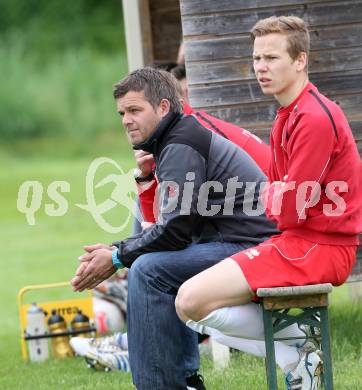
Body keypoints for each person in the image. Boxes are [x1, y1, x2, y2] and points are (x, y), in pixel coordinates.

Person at [175, 15, 362, 390]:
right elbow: (277, 199)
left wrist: (278, 196)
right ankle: (296, 351)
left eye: (272, 58)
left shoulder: (314, 118)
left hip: (321, 248)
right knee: (187, 304)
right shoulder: (285, 116)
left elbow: (288, 209)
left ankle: (298, 347)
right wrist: (278, 195)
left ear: (300, 61)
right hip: (295, 242)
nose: (261, 67)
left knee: (191, 301)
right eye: (257, 58)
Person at [71, 67, 278, 390]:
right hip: (239, 242)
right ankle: (184, 380)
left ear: (164, 107)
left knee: (149, 271)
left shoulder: (181, 144)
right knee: (151, 265)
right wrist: (117, 250)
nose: (126, 120)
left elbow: (175, 231)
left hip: (254, 247)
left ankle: (164, 385)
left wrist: (116, 257)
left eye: (135, 110)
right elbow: (171, 228)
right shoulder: (174, 140)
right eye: (122, 112)